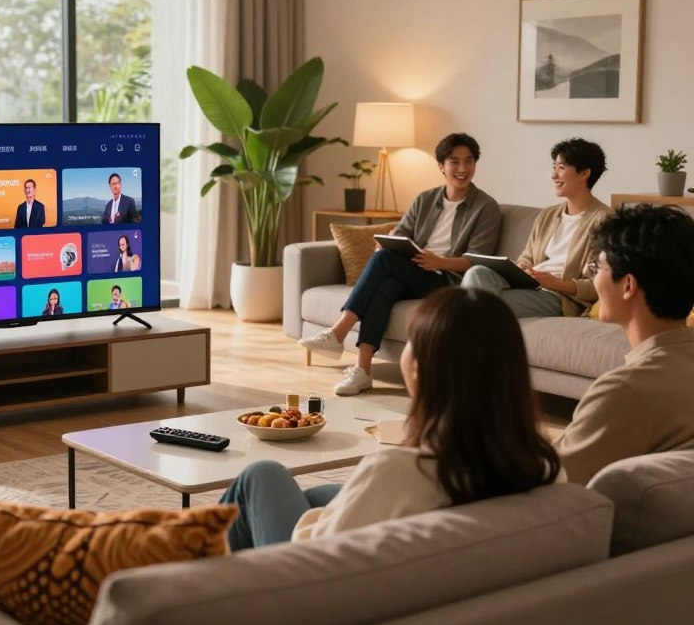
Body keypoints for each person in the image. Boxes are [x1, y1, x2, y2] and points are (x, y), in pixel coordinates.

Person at [222, 288, 562, 550]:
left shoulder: (397, 472)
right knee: (317, 495)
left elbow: (312, 551)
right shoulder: (544, 466)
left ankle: (186, 578)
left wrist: (320, 520)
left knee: (262, 475)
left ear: (423, 368)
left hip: (307, 599)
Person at [300, 133, 501, 396]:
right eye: (454, 162)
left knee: (384, 262)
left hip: (449, 281)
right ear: (441, 165)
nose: (462, 169)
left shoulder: (486, 207)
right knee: (387, 286)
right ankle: (362, 371)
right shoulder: (425, 199)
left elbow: (478, 260)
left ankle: (338, 331)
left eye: (469, 161)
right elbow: (402, 231)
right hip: (416, 272)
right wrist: (390, 241)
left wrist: (438, 261)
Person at [553, 204, 694, 484]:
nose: (593, 279)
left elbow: (551, 481)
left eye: (596, 267)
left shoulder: (623, 391)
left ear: (628, 285)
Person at [461, 137, 612, 318]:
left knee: (481, 305)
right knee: (478, 273)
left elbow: (599, 284)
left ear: (584, 173)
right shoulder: (548, 215)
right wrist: (521, 271)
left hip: (559, 296)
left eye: (561, 168)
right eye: (554, 168)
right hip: (530, 285)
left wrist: (556, 283)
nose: (553, 175)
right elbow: (527, 257)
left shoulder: (605, 220)